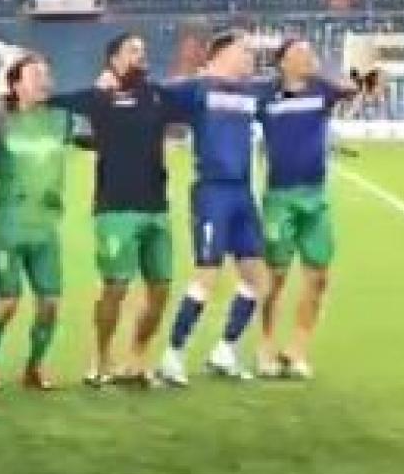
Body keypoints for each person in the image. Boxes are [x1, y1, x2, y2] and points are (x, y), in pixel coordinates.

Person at [55, 34, 179, 387]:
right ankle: (101, 357)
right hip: (114, 208)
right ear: (113, 58)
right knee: (116, 286)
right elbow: (51, 101)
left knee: (161, 288)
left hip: (157, 207)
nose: (141, 56)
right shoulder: (99, 98)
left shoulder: (157, 96)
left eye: (143, 50)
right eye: (132, 51)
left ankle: (136, 359)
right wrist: (98, 92)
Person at [149, 31, 270, 387]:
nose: (250, 57)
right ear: (222, 53)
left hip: (242, 194)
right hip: (212, 193)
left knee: (256, 278)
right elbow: (155, 93)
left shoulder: (253, 93)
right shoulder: (197, 88)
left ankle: (225, 349)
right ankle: (172, 355)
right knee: (208, 275)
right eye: (243, 51)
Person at [256, 38, 367, 380]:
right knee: (274, 276)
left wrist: (367, 78)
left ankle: (298, 350)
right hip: (279, 197)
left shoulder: (323, 89)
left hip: (315, 197)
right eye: (301, 54)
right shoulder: (265, 96)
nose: (309, 58)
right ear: (282, 62)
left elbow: (358, 90)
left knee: (318, 276)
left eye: (311, 54)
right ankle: (266, 348)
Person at [0, 54, 79, 393]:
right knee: (8, 302)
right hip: (9, 224)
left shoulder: (61, 120)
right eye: (36, 75)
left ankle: (34, 367)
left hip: (46, 226)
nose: (45, 81)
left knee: (50, 303)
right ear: (16, 84)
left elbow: (98, 136)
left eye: (47, 74)